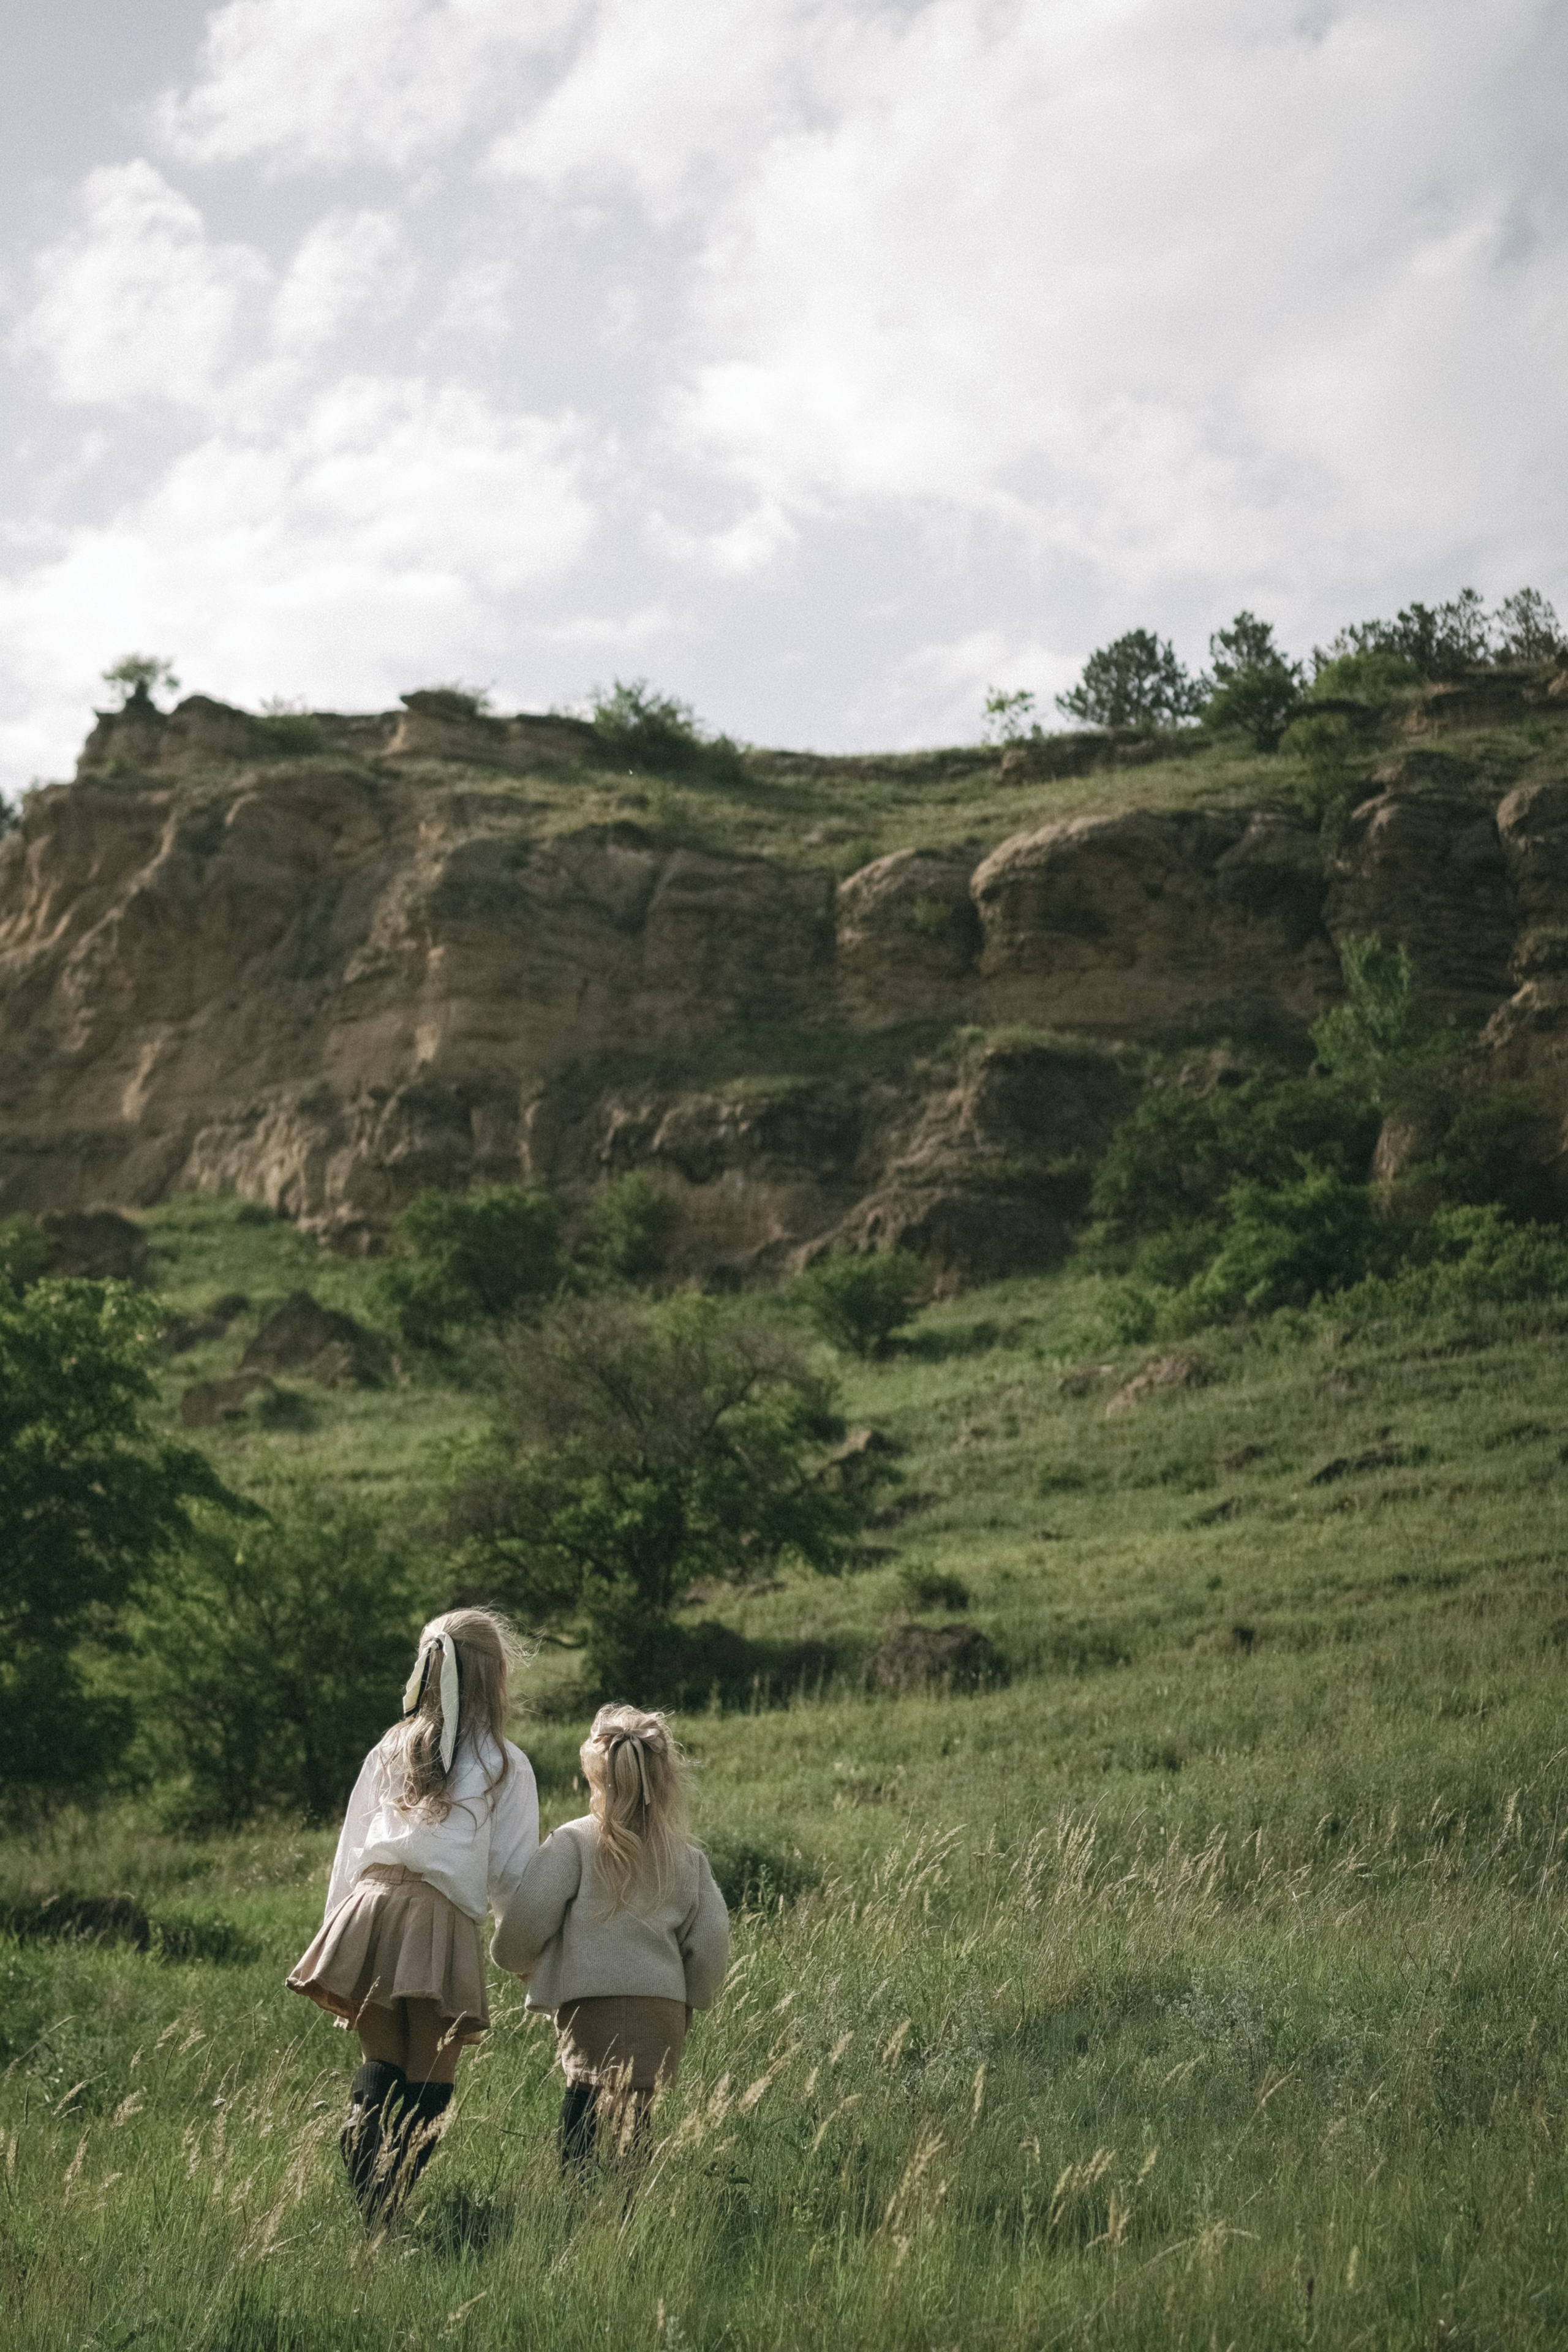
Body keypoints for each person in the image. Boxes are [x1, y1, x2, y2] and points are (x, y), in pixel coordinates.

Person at [286, 1606, 538, 2225]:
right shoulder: (505, 1763)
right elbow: (511, 1875)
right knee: (431, 2069)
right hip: (437, 1920)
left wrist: (335, 1937)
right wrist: (528, 1955)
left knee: (381, 2062)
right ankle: (389, 2204)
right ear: (497, 1675)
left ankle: (369, 2194)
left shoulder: (390, 1748)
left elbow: (351, 1847)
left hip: (366, 1910)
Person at [492, 1704, 728, 2176]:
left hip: (589, 2006)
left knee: (582, 2101)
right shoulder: (686, 1858)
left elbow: (528, 1919)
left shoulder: (574, 1842)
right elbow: (711, 1940)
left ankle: (576, 2206)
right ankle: (629, 2215)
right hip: (660, 2009)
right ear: (664, 1781)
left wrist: (515, 1958)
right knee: (637, 2120)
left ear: (596, 1777)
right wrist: (690, 2000)